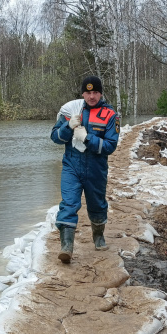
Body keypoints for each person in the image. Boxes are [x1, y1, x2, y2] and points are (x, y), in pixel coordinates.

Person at [50, 76, 120, 264]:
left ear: (101, 93)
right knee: (69, 204)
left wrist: (87, 138)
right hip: (71, 166)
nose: (92, 96)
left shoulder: (110, 115)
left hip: (96, 168)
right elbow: (55, 138)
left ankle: (98, 237)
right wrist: (68, 126)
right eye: (88, 92)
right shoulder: (69, 112)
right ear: (82, 93)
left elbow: (111, 146)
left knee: (97, 206)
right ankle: (67, 247)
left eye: (95, 92)